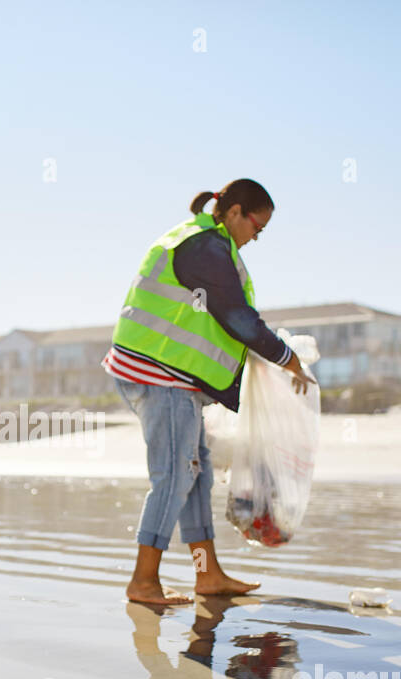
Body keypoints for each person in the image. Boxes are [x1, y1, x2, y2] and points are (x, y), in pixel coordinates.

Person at [102, 178, 316, 606]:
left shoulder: (211, 244)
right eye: (258, 226)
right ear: (235, 211)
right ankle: (144, 581)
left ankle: (208, 575)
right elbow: (235, 316)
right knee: (176, 475)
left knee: (195, 479)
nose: (257, 236)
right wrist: (286, 357)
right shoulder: (204, 246)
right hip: (158, 375)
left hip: (176, 379)